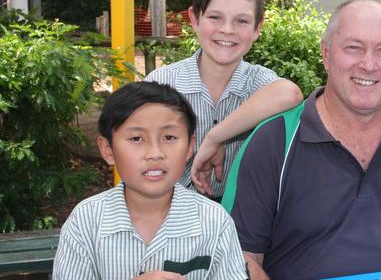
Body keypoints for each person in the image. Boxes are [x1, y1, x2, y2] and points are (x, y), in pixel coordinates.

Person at [223, 0, 381, 280]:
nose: (368, 64)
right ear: (326, 54)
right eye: (353, 48)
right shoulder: (272, 141)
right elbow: (240, 256)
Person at [53, 81, 247, 279]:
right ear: (108, 150)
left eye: (169, 137)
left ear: (190, 146)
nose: (155, 154)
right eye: (136, 139)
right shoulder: (86, 221)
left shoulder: (215, 221)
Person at [145, 0, 303, 200]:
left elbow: (290, 93)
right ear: (195, 19)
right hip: (168, 208)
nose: (227, 30)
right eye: (215, 17)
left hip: (234, 214)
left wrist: (215, 137)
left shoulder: (256, 82)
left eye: (241, 21)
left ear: (257, 28)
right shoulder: (161, 84)